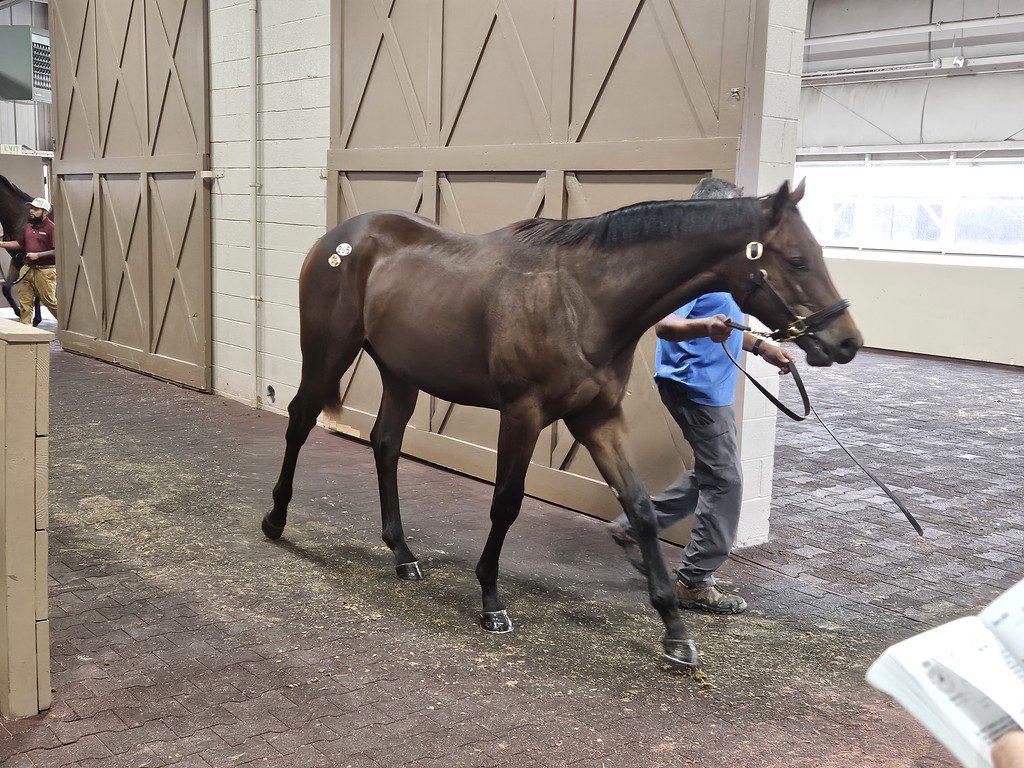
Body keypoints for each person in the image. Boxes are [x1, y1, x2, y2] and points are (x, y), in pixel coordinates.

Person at [607, 178, 796, 614]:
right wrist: (703, 328)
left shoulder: (718, 264)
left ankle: (637, 527)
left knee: (711, 472)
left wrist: (762, 346)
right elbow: (665, 324)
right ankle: (694, 580)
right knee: (725, 480)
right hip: (694, 385)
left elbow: (726, 322)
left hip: (704, 383)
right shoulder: (688, 267)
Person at [0, 197, 57, 325]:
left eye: (36, 209)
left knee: (51, 302)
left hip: (45, 271)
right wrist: (2, 244)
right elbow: (19, 244)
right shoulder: (28, 227)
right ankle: (26, 334)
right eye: (31, 208)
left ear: (45, 212)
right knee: (25, 304)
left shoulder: (52, 228)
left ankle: (67, 327)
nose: (31, 211)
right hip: (27, 269)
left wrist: (38, 255)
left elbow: (57, 251)